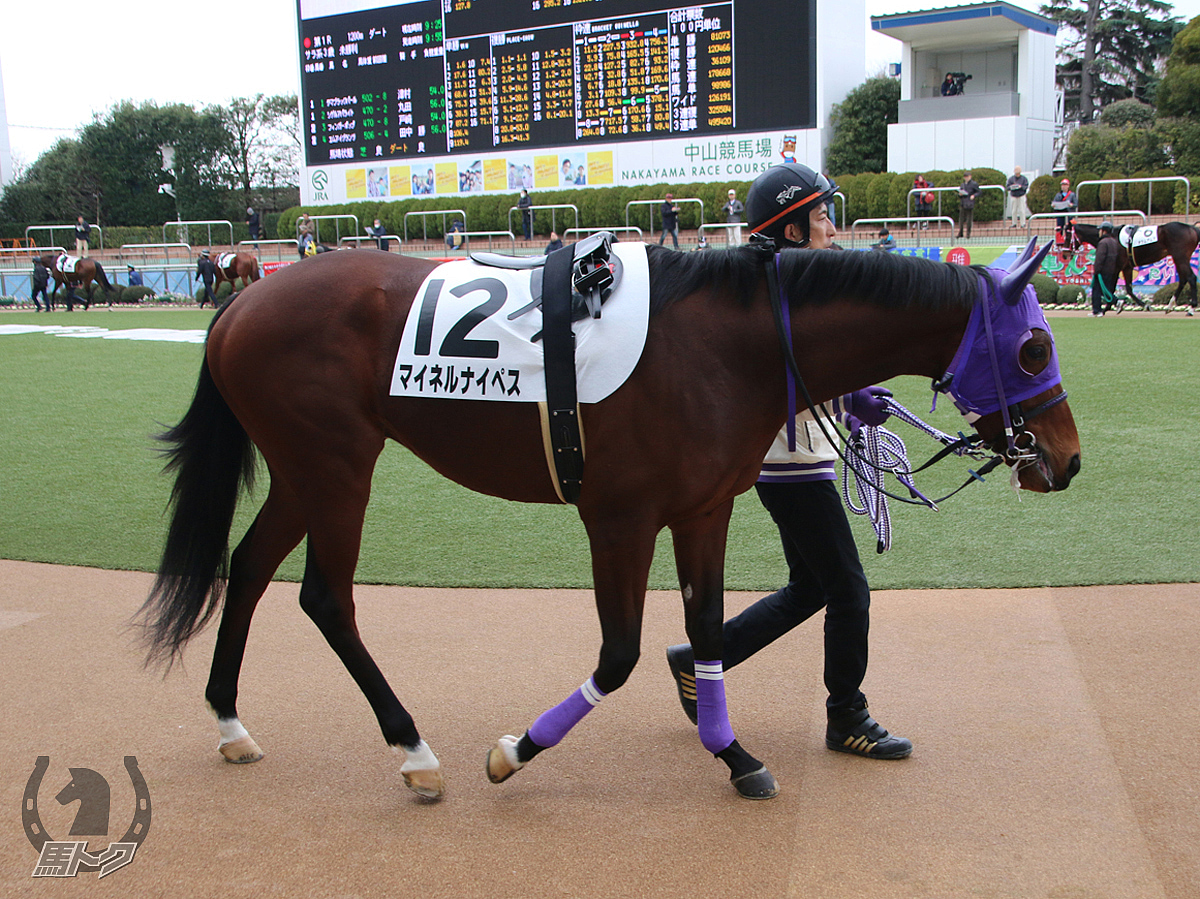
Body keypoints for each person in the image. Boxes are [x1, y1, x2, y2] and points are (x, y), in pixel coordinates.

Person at [666, 162, 912, 761]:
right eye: (822, 216)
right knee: (849, 590)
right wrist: (852, 397)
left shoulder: (785, 284)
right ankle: (847, 716)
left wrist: (851, 401)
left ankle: (701, 657)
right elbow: (787, 371)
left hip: (796, 461)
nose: (832, 228)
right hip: (791, 466)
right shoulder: (779, 289)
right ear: (794, 231)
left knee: (811, 587)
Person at [1090, 221, 1120, 316]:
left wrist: (1097, 270)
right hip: (1111, 270)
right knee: (1105, 290)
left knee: (1097, 290)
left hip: (1102, 270)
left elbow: (1100, 257)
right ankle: (1116, 302)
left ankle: (1097, 310)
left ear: (1104, 231)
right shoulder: (1114, 242)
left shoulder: (1103, 242)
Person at [956, 171, 982, 240]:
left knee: (969, 219)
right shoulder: (963, 184)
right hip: (963, 202)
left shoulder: (974, 184)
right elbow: (960, 192)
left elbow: (979, 192)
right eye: (965, 177)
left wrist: (974, 195)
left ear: (970, 176)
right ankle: (960, 232)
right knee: (961, 219)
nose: (966, 178)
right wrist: (960, 194)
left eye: (967, 177)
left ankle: (968, 233)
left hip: (969, 203)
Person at [1051, 178, 1078, 243]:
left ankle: (1069, 240)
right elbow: (1054, 202)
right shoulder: (1058, 195)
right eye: (1062, 185)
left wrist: (1071, 205)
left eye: (1065, 185)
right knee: (1059, 227)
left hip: (1069, 213)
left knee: (1069, 227)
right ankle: (1059, 240)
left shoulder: (1072, 194)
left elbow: (1076, 204)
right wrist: (1053, 205)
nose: (1063, 186)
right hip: (1060, 213)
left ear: (1068, 186)